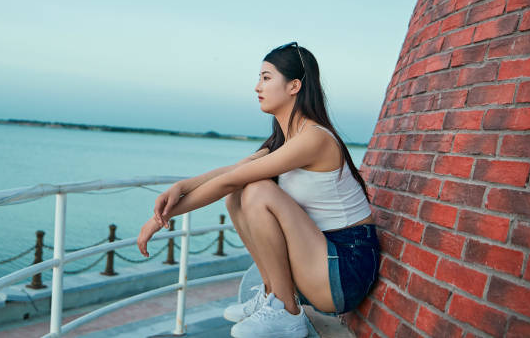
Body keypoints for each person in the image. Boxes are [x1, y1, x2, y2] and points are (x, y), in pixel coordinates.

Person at [137, 42, 380, 338]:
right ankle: (272, 296)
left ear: (293, 86)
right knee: (238, 194)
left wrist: (158, 220)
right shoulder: (284, 140)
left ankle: (288, 314)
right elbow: (231, 173)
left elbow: (234, 178)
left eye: (266, 77)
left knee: (256, 191)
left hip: (346, 267)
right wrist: (181, 186)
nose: (257, 87)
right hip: (318, 256)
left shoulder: (314, 138)